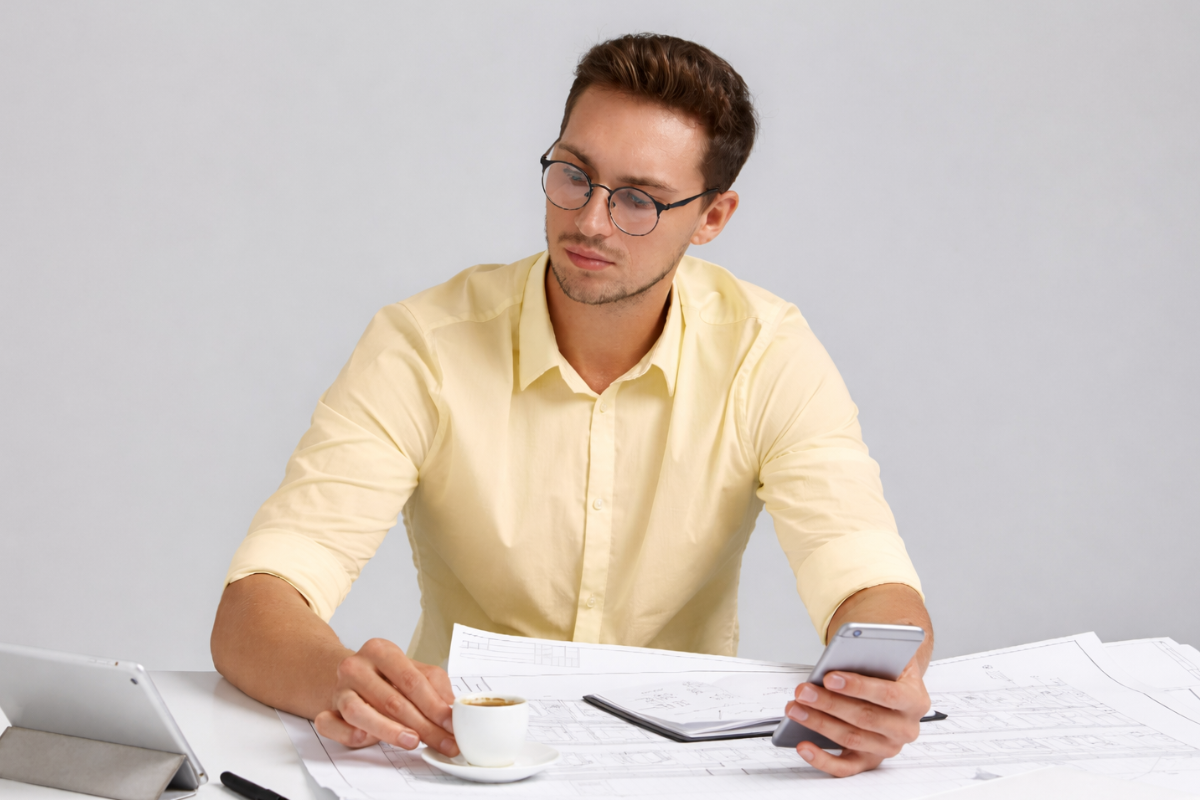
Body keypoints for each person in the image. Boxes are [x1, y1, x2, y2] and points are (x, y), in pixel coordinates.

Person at [210, 33, 933, 778]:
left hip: (679, 772)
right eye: (574, 175)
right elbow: (261, 601)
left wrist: (878, 685)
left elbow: (864, 573)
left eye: (640, 200)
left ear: (712, 217)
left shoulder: (767, 351)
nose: (589, 221)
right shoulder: (423, 345)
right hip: (461, 763)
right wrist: (343, 681)